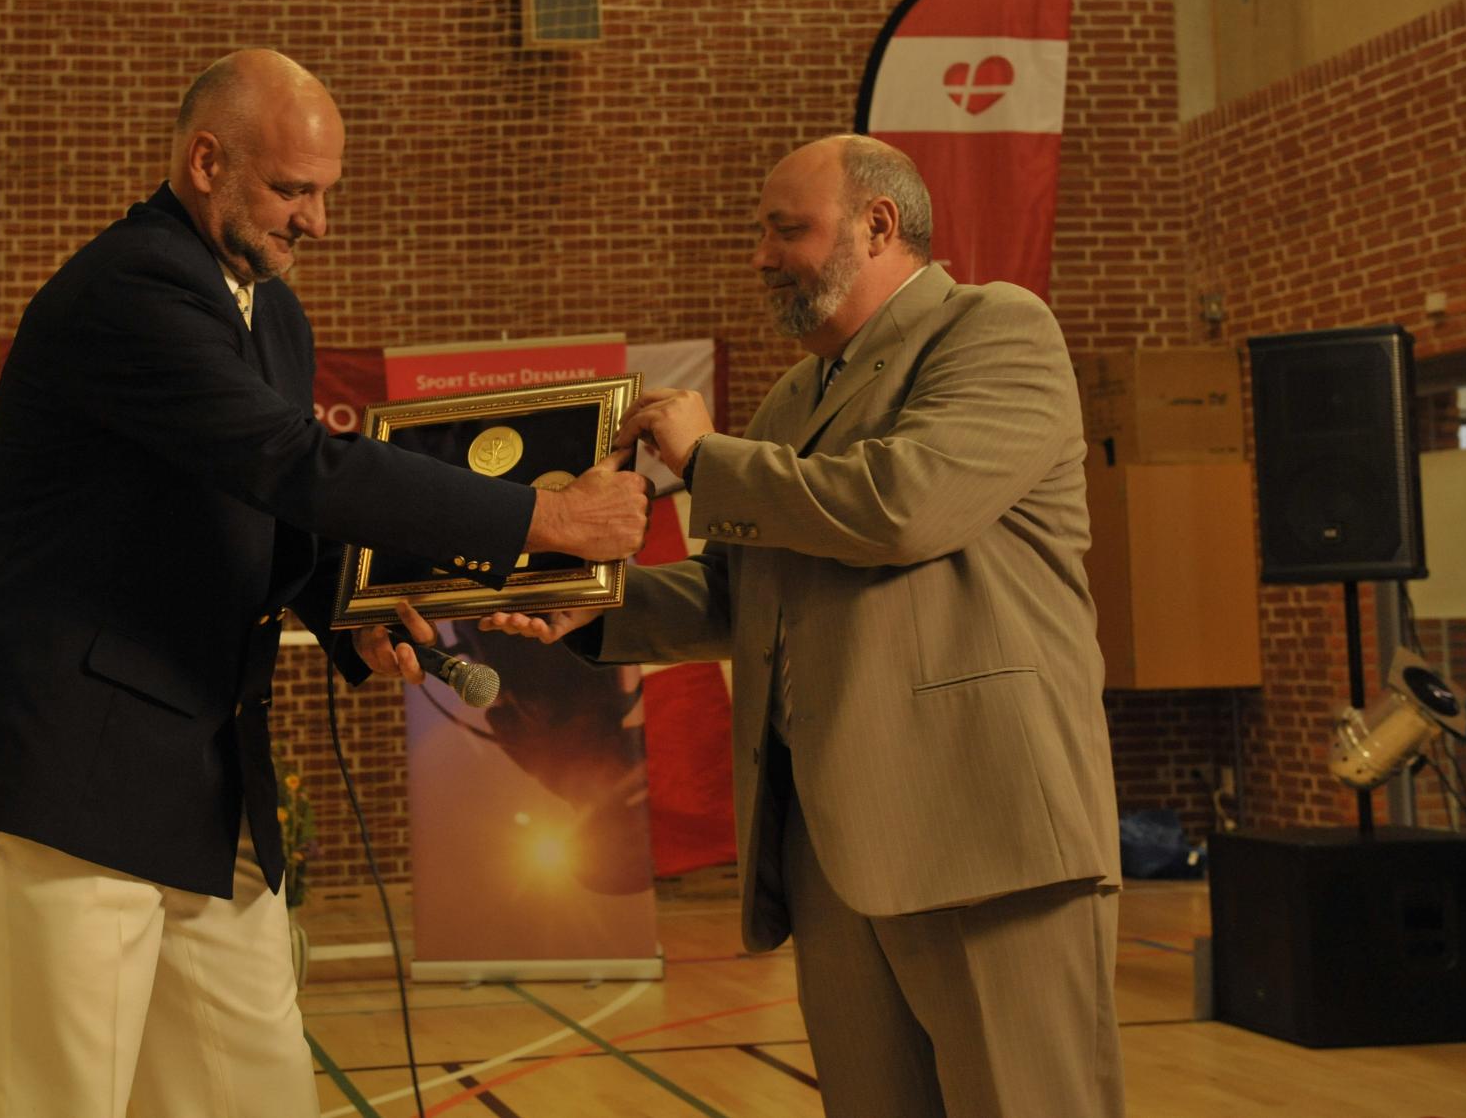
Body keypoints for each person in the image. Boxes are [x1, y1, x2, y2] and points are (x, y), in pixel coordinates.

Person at [0, 48, 648, 1118]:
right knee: (55, 1099)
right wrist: (544, 517)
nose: (319, 221)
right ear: (206, 162)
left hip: (202, 775)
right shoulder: (129, 286)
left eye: (326, 191)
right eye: (292, 189)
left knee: (254, 1091)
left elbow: (270, 513)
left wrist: (350, 619)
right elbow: (289, 462)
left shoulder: (274, 314)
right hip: (69, 771)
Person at [464, 135, 1124, 1117]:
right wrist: (592, 603)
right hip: (832, 849)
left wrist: (705, 459)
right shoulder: (790, 400)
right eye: (761, 233)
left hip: (984, 834)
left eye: (787, 231)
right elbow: (742, 599)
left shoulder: (994, 329)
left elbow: (900, 506)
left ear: (878, 225)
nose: (761, 257)